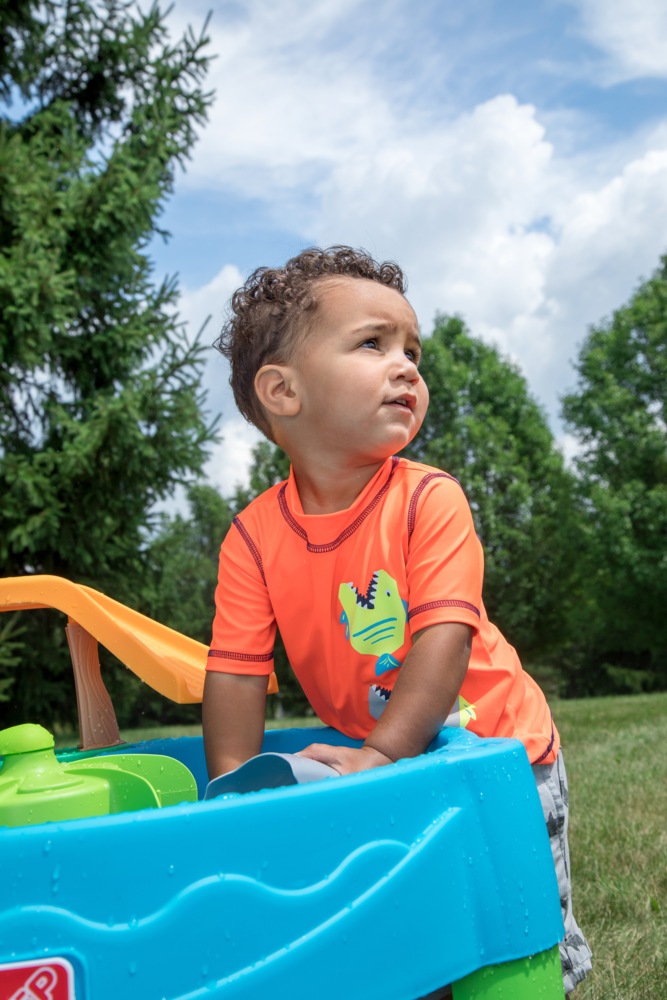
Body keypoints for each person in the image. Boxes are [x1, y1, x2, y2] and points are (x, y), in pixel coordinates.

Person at [202, 246, 592, 995]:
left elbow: (444, 637)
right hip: (380, 755)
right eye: (372, 343)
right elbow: (235, 670)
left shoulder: (427, 498)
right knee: (417, 931)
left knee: (515, 925)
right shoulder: (252, 535)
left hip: (500, 753)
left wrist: (382, 755)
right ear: (282, 391)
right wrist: (229, 793)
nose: (408, 366)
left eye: (413, 350)